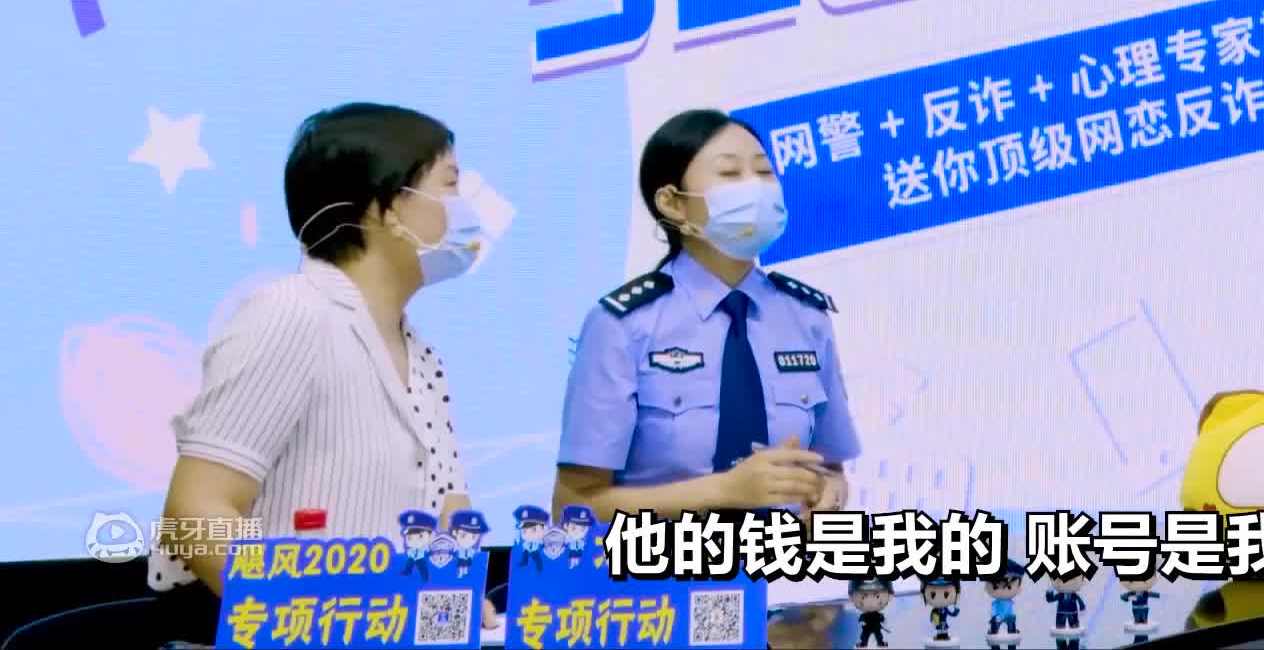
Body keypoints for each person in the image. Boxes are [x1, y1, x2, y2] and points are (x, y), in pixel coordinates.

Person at [147, 103, 497, 642]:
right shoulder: (292, 313)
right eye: (450, 184)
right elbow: (196, 511)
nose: (465, 208)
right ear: (385, 209)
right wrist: (313, 623)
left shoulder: (422, 356)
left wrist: (457, 607)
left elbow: (449, 510)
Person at [554, 109, 860, 521]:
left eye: (764, 172)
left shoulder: (807, 317)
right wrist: (724, 491)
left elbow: (831, 469)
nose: (756, 188)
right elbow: (574, 507)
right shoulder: (623, 326)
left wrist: (828, 496)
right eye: (730, 174)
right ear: (672, 203)